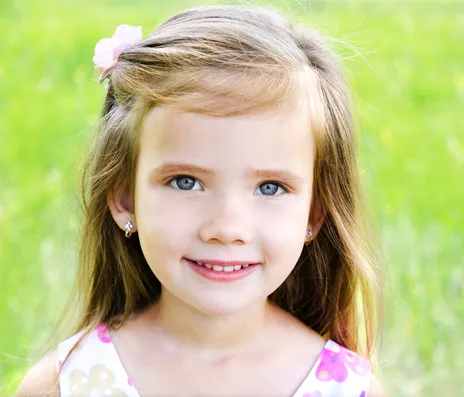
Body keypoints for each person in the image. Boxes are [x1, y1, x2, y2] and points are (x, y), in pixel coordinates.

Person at [16, 4, 386, 396]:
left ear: (313, 213)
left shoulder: (345, 388)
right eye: (186, 182)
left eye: (270, 188)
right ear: (125, 197)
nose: (226, 229)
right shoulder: (68, 383)